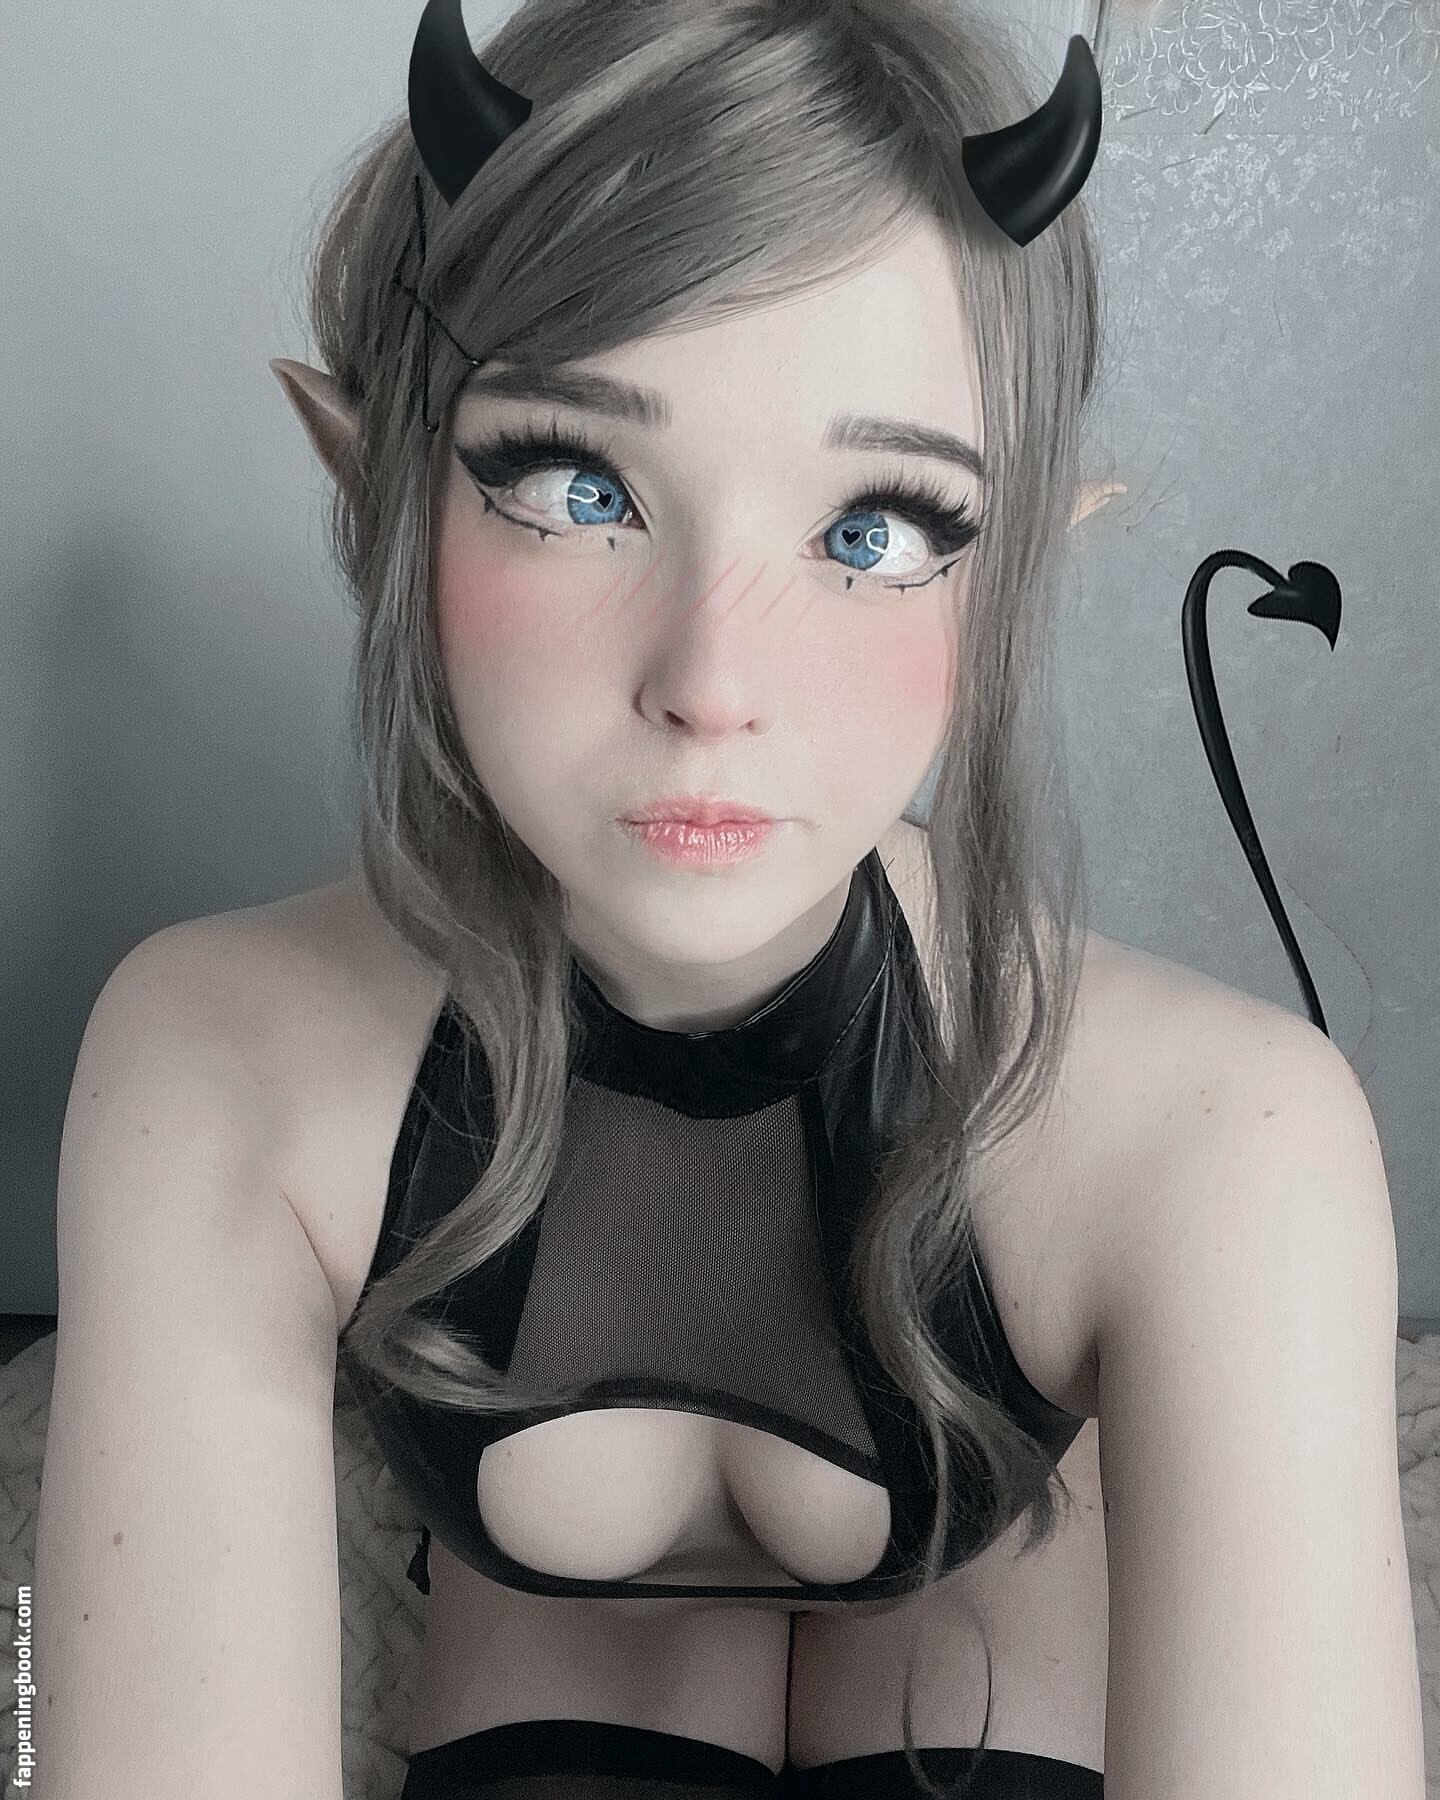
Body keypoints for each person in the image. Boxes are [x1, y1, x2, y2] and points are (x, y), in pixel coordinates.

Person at [39, 4, 1420, 1799]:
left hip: (988, 1578)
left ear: (1019, 562)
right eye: (577, 485)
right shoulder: (216, 1065)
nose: (711, 683)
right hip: (552, 1608)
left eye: (875, 529)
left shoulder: (1220, 1142)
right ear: (375, 481)